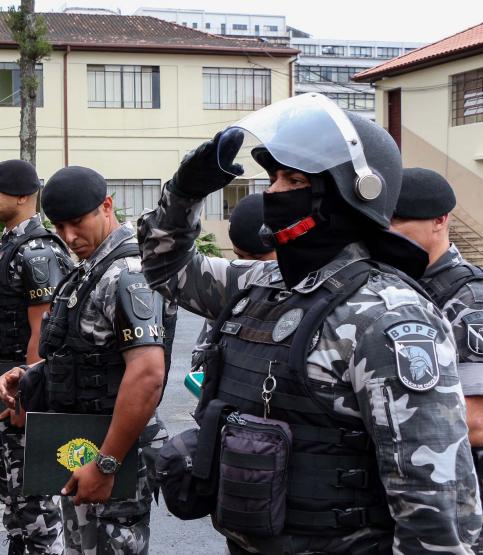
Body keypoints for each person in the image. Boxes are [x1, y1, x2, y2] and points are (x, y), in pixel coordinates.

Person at [138, 93, 481, 553]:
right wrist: (183, 193)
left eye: (293, 179)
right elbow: (166, 269)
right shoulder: (264, 283)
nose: (273, 192)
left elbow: (434, 500)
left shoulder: (386, 315)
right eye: (274, 177)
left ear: (346, 196)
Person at [0, 166, 173, 554]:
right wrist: (30, 376)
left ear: (106, 206)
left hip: (116, 450)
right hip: (83, 444)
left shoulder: (128, 274)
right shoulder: (93, 268)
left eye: (77, 224)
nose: (69, 237)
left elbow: (147, 376)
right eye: (60, 227)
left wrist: (106, 464)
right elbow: (86, 354)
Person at [0, 159, 72, 554]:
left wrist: (28, 394)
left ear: (24, 196)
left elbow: (42, 331)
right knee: (10, 489)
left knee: (33, 491)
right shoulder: (7, 245)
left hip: (21, 383)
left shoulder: (38, 250)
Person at [389, 168, 483, 499]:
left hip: (451, 494)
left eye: (399, 221)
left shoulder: (470, 299)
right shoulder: (392, 285)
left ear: (439, 221)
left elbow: (476, 423)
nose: (388, 230)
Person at [191, 193, 275, 365]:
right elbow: (201, 359)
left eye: (257, 259)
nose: (246, 266)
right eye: (239, 257)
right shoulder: (231, 290)